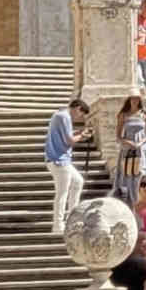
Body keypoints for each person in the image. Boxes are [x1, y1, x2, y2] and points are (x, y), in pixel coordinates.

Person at [47, 98, 88, 234]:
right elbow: (69, 141)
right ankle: (58, 226)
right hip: (59, 160)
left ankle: (72, 218)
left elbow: (65, 136)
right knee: (62, 193)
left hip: (61, 159)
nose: (79, 118)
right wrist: (81, 136)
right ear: (78, 109)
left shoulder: (59, 114)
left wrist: (78, 134)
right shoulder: (65, 117)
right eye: (81, 114)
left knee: (78, 181)